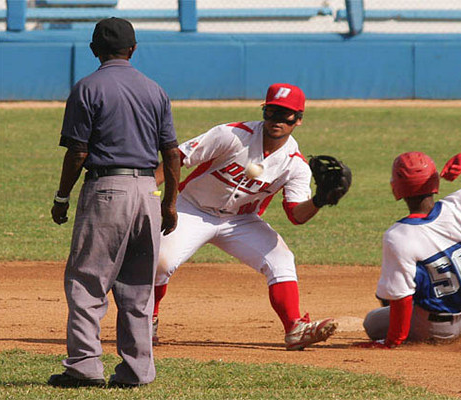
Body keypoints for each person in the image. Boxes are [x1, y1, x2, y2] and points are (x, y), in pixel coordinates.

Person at [152, 83, 347, 351]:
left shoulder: (295, 163)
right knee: (161, 262)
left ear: (298, 120)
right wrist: (147, 190)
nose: (278, 120)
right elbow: (179, 157)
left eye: (286, 115)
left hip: (240, 221)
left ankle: (295, 328)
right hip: (192, 208)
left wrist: (319, 200)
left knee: (281, 259)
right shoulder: (231, 135)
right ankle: (146, 320)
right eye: (272, 112)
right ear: (264, 111)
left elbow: (295, 216)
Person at [48, 17, 181, 388]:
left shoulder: (87, 87)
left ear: (94, 50)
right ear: (133, 49)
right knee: (138, 288)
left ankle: (85, 366)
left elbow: (77, 152)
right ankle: (137, 372)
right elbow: (171, 154)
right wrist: (169, 203)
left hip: (106, 190)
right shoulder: (154, 89)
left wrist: (62, 197)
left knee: (87, 282)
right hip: (146, 195)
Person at [361, 151, 461, 348]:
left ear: (396, 188)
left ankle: (445, 336)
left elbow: (400, 299)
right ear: (435, 182)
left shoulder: (398, 235)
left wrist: (392, 342)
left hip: (435, 329)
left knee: (372, 321)